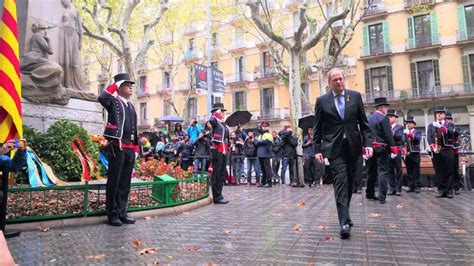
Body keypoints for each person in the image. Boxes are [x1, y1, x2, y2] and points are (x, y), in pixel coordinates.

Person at [313, 68, 373, 239]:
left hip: (353, 147)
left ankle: (345, 213)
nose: (339, 82)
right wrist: (317, 150)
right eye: (335, 80)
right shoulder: (322, 101)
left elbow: (364, 124)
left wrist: (367, 144)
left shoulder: (355, 97)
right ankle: (344, 223)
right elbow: (317, 128)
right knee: (340, 181)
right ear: (329, 83)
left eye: (341, 79)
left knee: (351, 182)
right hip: (334, 148)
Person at [98, 73, 138, 226]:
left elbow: (134, 129)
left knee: (125, 182)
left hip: (129, 148)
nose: (131, 88)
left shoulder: (131, 106)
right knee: (114, 181)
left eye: (131, 85)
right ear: (120, 87)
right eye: (127, 85)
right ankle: (112, 214)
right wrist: (115, 84)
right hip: (117, 147)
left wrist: (135, 148)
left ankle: (122, 212)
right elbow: (102, 97)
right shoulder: (113, 102)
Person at [366, 97, 397, 204]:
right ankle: (382, 196)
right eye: (386, 107)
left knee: (371, 171)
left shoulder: (369, 118)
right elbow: (388, 135)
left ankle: (369, 193)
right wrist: (393, 148)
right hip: (382, 147)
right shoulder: (384, 119)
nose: (387, 110)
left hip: (370, 147)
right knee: (383, 171)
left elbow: (365, 133)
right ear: (382, 108)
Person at [427, 107, 456, 198]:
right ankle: (441, 190)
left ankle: (449, 190)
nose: (439, 115)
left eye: (441, 113)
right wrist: (432, 146)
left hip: (447, 150)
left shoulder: (449, 124)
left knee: (449, 171)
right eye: (437, 113)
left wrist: (445, 130)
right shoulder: (431, 125)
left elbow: (454, 133)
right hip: (436, 151)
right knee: (439, 171)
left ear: (444, 115)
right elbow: (429, 137)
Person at [59, 0, 86, 91]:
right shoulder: (62, 11)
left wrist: (81, 41)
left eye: (64, 0)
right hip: (64, 34)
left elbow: (80, 28)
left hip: (74, 35)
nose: (62, 2)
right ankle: (65, 82)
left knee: (74, 59)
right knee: (66, 58)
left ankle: (74, 83)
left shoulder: (76, 12)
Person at [208, 103, 230, 204]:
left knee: (222, 173)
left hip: (224, 148)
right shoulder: (214, 121)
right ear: (217, 112)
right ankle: (216, 196)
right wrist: (215, 114)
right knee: (216, 173)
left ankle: (220, 194)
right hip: (217, 149)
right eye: (222, 112)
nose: (224, 113)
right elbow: (211, 121)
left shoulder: (223, 123)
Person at [403, 116, 422, 193]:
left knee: (416, 170)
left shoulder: (417, 132)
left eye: (410, 123)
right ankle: (411, 186)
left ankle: (417, 186)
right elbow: (402, 141)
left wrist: (410, 134)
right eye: (407, 123)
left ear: (414, 124)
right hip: (407, 153)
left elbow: (418, 139)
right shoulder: (405, 133)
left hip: (415, 153)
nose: (408, 124)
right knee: (409, 170)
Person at [387, 110, 404, 196]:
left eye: (391, 117)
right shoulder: (386, 127)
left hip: (397, 149)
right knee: (390, 170)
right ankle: (392, 188)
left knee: (398, 170)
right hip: (388, 150)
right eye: (388, 117)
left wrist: (391, 133)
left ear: (395, 118)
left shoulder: (399, 127)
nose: (389, 118)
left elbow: (399, 137)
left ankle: (398, 189)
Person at [446, 112, 462, 194]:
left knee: (455, 170)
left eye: (449, 119)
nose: (448, 120)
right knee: (448, 170)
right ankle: (449, 187)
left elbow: (456, 133)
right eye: (446, 119)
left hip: (454, 152)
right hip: (446, 152)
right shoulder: (444, 129)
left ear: (451, 120)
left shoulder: (456, 128)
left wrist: (450, 127)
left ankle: (457, 187)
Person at [255, 121, 274, 188]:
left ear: (268, 127)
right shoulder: (260, 135)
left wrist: (259, 142)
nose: (264, 127)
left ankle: (269, 183)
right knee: (263, 169)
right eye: (263, 126)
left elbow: (266, 142)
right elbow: (255, 143)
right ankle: (263, 182)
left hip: (266, 154)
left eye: (265, 126)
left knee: (267, 169)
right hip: (260, 154)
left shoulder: (269, 134)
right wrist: (260, 142)